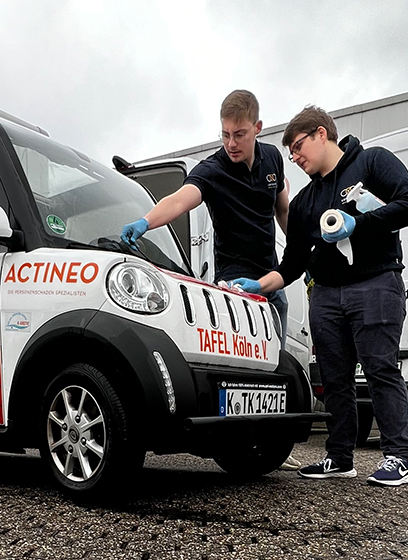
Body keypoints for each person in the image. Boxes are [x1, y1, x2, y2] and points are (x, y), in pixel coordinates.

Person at [230, 106, 408, 486]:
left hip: (376, 283)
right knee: (334, 379)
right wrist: (259, 284)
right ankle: (339, 457)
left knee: (379, 368)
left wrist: (360, 223)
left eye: (298, 146)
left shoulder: (371, 163)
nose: (296, 157)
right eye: (290, 153)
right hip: (326, 295)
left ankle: (399, 457)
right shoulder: (304, 202)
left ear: (322, 134)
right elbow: (292, 264)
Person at [120, 90, 301, 471]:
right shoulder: (214, 168)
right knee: (246, 372)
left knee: (273, 371)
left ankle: (267, 444)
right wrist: (146, 222)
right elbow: (180, 199)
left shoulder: (272, 158)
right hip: (235, 280)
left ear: (257, 128)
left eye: (239, 134)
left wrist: (298, 255)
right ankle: (235, 443)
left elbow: (282, 207)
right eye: (224, 135)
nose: (231, 144)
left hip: (271, 278)